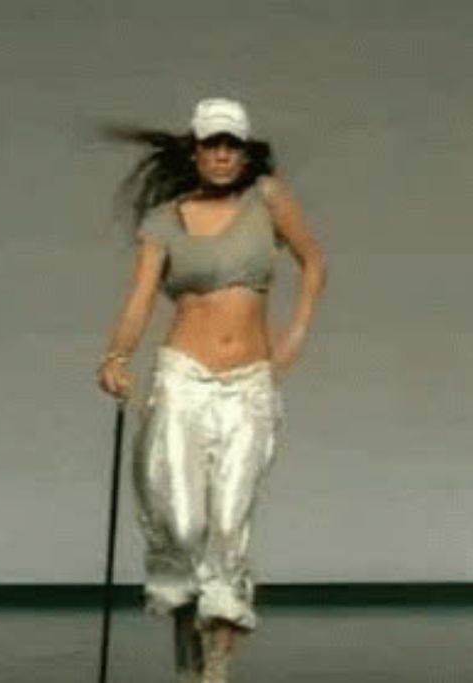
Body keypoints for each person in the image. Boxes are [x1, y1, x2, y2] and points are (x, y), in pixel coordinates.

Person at [96, 97, 327, 683]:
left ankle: (216, 671)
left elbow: (313, 262)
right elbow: (140, 298)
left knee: (228, 524)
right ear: (195, 151)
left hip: (247, 383)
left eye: (232, 144)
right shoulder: (165, 220)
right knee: (180, 523)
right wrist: (117, 355)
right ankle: (186, 660)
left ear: (245, 152)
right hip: (183, 378)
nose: (222, 154)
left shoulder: (267, 199)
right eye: (212, 144)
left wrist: (295, 335)